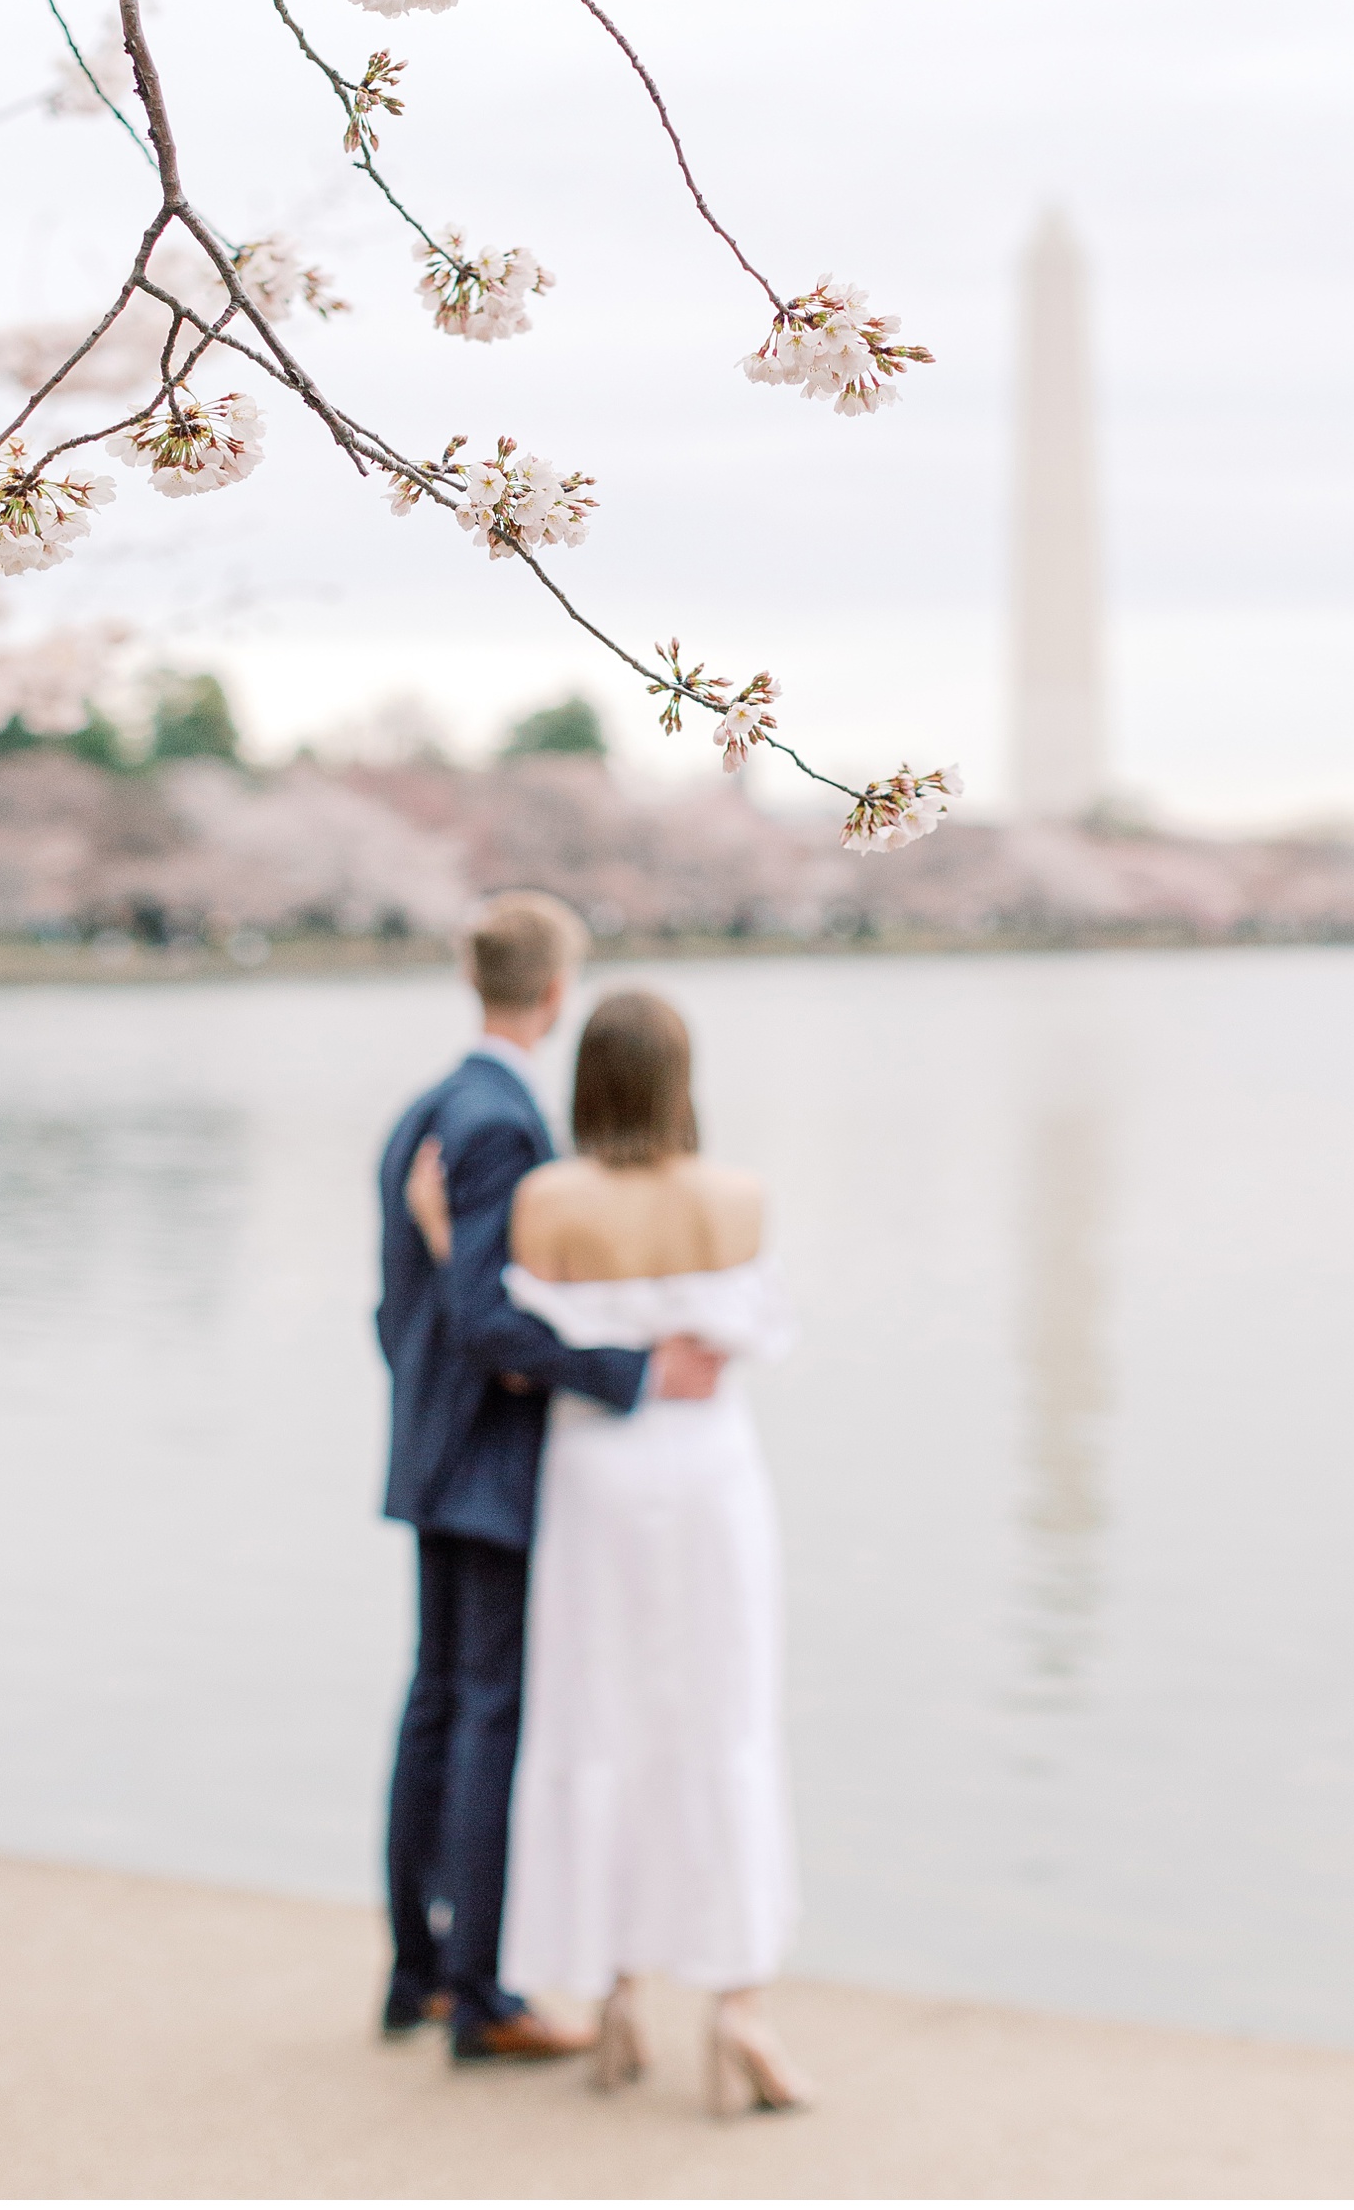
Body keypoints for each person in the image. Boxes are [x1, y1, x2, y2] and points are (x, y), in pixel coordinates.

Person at [405, 988, 812, 2116]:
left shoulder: (548, 1201)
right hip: (709, 1474)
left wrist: (444, 1240)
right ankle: (737, 2004)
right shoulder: (736, 1198)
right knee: (721, 1719)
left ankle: (616, 1988)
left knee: (600, 1719)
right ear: (682, 1082)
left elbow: (516, 1347)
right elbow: (755, 1340)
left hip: (595, 1475)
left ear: (587, 1082)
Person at [374, 892, 725, 2065]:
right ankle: (476, 1992)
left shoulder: (425, 1108)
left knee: (437, 1706)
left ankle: (419, 1973)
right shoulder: (498, 1126)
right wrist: (626, 1372)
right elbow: (482, 1314)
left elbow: (403, 1310)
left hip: (432, 1445)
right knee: (482, 1714)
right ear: (556, 993)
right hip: (487, 1463)